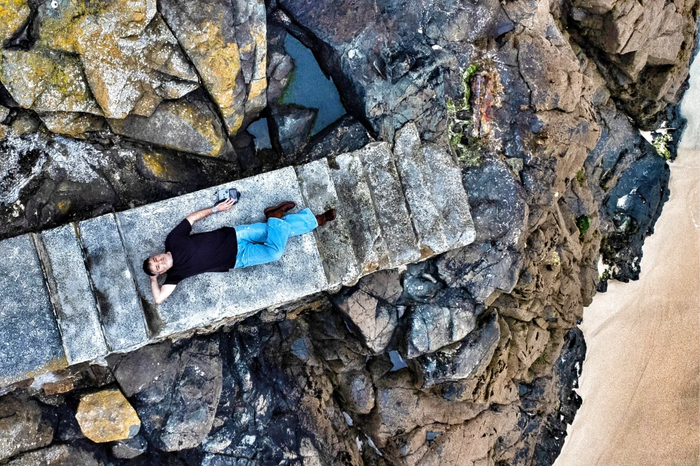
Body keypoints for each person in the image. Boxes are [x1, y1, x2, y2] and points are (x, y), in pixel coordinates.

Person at [143, 198, 336, 304]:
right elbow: (159, 299)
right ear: (161, 272)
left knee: (276, 231)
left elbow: (191, 219)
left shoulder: (173, 240)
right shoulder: (175, 275)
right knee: (275, 250)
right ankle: (275, 215)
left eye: (155, 259)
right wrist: (153, 278)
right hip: (238, 258)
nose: (159, 261)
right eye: (157, 266)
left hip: (236, 235)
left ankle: (316, 220)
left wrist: (215, 209)